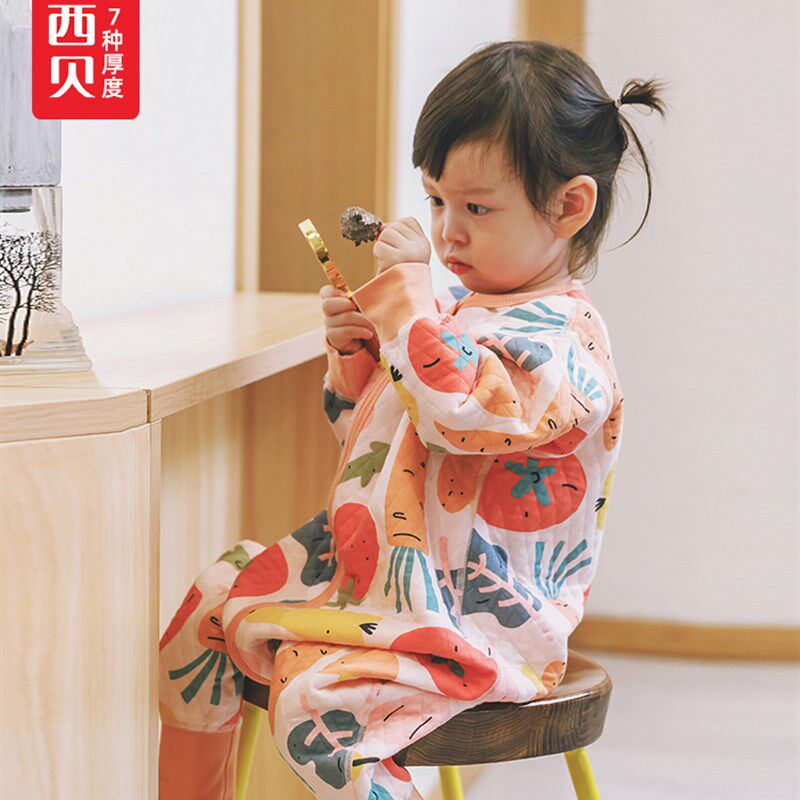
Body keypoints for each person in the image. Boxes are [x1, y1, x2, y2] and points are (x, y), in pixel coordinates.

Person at [158, 39, 666, 800]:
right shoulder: (453, 312)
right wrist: (362, 358)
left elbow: (467, 416)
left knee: (316, 711)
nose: (446, 232)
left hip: (475, 620)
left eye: (476, 208)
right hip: (379, 580)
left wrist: (406, 306)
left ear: (569, 207)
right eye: (436, 201)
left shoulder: (564, 339)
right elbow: (381, 446)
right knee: (206, 609)